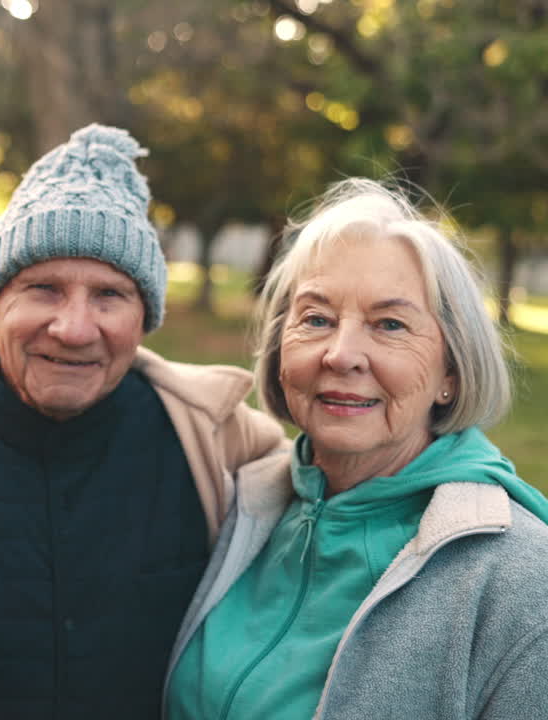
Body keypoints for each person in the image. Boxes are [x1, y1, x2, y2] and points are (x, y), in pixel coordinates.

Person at [0, 124, 287, 717]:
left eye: (109, 295)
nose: (75, 328)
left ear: (143, 318)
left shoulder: (222, 445)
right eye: (44, 289)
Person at [164, 179, 548, 719]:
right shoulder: (243, 505)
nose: (341, 355)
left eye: (390, 324)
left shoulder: (522, 581)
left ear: (452, 374)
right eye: (316, 319)